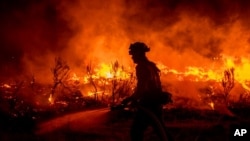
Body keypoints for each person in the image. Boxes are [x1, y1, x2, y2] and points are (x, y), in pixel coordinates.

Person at [122, 42, 171, 141]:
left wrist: (131, 99)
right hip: (156, 104)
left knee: (136, 132)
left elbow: (142, 87)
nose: (132, 57)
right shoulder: (151, 65)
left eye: (133, 54)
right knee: (161, 130)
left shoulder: (142, 67)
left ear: (140, 53)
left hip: (148, 104)